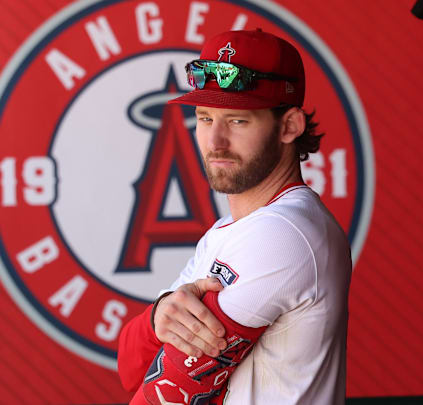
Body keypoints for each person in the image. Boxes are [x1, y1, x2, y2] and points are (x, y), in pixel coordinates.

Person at [117, 28, 352, 405]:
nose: (215, 142)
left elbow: (166, 395)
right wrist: (158, 315)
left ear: (289, 126)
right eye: (205, 118)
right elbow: (131, 366)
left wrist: (160, 328)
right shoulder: (227, 232)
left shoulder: (283, 233)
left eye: (238, 121)